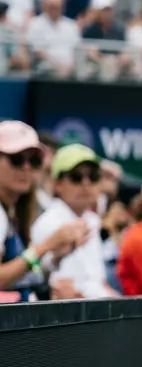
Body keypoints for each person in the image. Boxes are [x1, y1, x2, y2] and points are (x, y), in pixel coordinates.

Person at [0, 120, 89, 302]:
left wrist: (56, 257)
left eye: (34, 161)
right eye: (16, 159)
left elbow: (19, 279)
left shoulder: (12, 213)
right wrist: (45, 246)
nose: (26, 168)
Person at [30, 143, 118, 298]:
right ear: (57, 184)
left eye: (93, 176)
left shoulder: (92, 220)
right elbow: (65, 290)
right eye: (76, 177)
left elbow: (99, 281)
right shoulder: (49, 222)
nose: (86, 183)